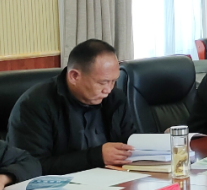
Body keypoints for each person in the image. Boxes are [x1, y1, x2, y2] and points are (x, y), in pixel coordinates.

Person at [8, 39, 137, 175]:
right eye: (102, 82)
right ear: (74, 76)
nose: (108, 90)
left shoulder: (115, 98)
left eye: (114, 81)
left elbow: (129, 142)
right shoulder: (34, 106)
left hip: (114, 178)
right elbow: (31, 166)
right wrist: (96, 157)